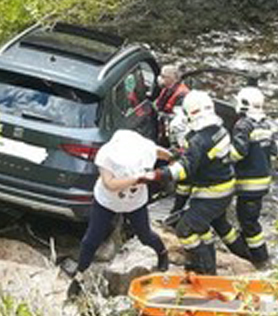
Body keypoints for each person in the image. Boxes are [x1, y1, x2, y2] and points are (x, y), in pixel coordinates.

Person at [144, 90, 239, 275]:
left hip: (212, 193)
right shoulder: (220, 130)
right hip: (222, 188)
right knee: (201, 228)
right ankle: (207, 267)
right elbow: (203, 158)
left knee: (185, 229)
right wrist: (179, 154)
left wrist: (157, 175)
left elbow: (185, 170)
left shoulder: (198, 141)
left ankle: (205, 270)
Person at [61, 129, 170, 283]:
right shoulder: (106, 156)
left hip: (135, 202)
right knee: (92, 239)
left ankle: (163, 254)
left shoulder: (146, 149)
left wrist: (175, 162)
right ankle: (80, 273)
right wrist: (136, 178)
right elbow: (110, 184)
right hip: (107, 202)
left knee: (145, 235)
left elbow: (163, 154)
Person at [230, 86, 277, 266]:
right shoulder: (266, 124)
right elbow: (273, 151)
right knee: (249, 217)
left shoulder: (243, 125)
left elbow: (238, 152)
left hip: (249, 183)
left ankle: (260, 258)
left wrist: (221, 158)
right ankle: (252, 251)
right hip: (263, 180)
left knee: (249, 222)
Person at [153, 65, 189, 147]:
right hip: (163, 125)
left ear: (172, 78)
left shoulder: (182, 94)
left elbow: (181, 118)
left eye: (163, 76)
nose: (160, 78)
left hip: (173, 129)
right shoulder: (167, 88)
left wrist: (163, 115)